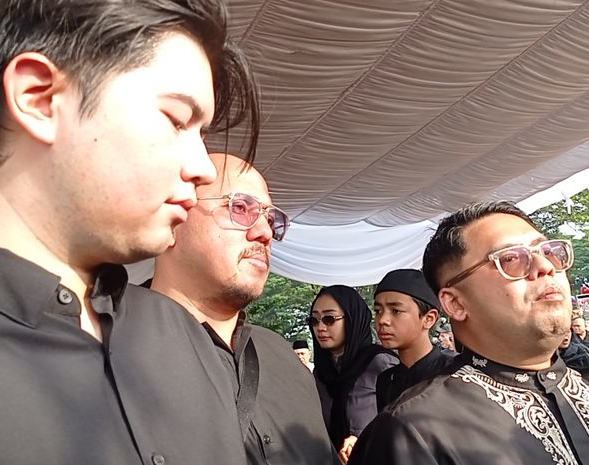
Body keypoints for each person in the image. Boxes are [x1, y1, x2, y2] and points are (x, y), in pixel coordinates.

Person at [0, 1, 260, 464]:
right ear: (39, 98)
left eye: (202, 134)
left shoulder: (185, 339)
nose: (204, 168)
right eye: (176, 120)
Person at [349, 201, 589, 465]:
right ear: (455, 303)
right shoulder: (412, 432)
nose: (545, 267)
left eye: (549, 251)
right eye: (511, 258)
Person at [152, 153, 339, 465]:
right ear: (171, 220)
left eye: (271, 220)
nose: (265, 233)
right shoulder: (110, 350)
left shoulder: (284, 360)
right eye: (240, 207)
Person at [310, 285, 398, 463]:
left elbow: (402, 424)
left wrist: (364, 439)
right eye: (314, 320)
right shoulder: (321, 373)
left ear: (352, 319)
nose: (320, 327)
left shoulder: (380, 363)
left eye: (329, 319)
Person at [373, 269, 456, 411]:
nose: (382, 320)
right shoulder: (386, 380)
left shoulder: (453, 374)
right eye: (378, 311)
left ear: (429, 319)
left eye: (396, 311)